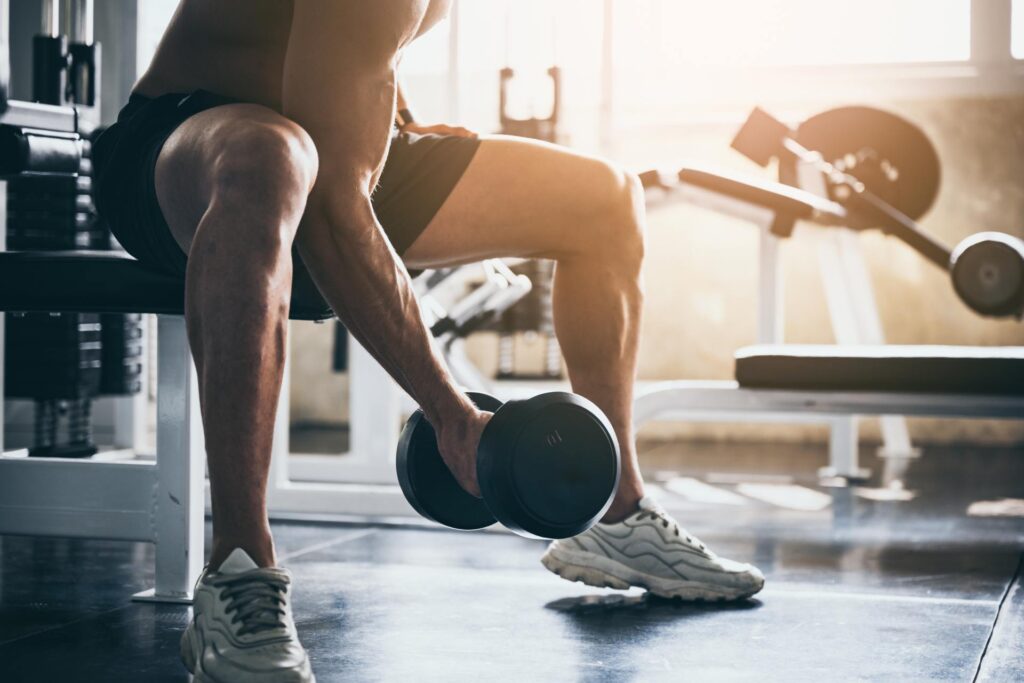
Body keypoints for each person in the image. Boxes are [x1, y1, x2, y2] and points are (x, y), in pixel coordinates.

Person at [92, 1, 764, 680]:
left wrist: (398, 121)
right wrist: (450, 413)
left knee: (606, 199)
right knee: (272, 156)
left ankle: (615, 511)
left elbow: (345, 51)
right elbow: (330, 211)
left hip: (315, 144)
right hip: (185, 138)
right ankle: (238, 570)